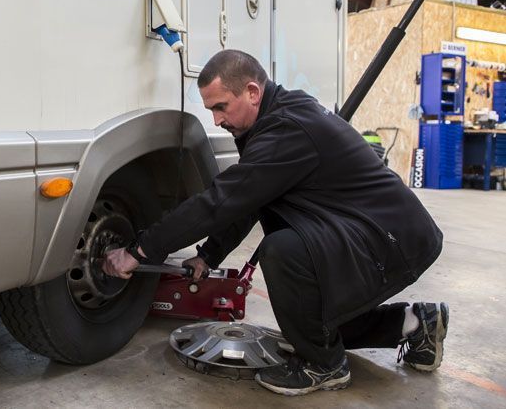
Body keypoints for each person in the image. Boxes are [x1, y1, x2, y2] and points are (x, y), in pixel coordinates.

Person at [103, 50, 448, 396]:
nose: (216, 120)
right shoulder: (275, 118)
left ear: (252, 92)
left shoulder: (287, 129)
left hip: (390, 240)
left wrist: (141, 249)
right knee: (311, 325)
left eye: (221, 107)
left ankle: (324, 367)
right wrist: (209, 255)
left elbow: (219, 202)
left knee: (284, 252)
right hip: (374, 234)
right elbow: (250, 199)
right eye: (211, 110)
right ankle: (416, 323)